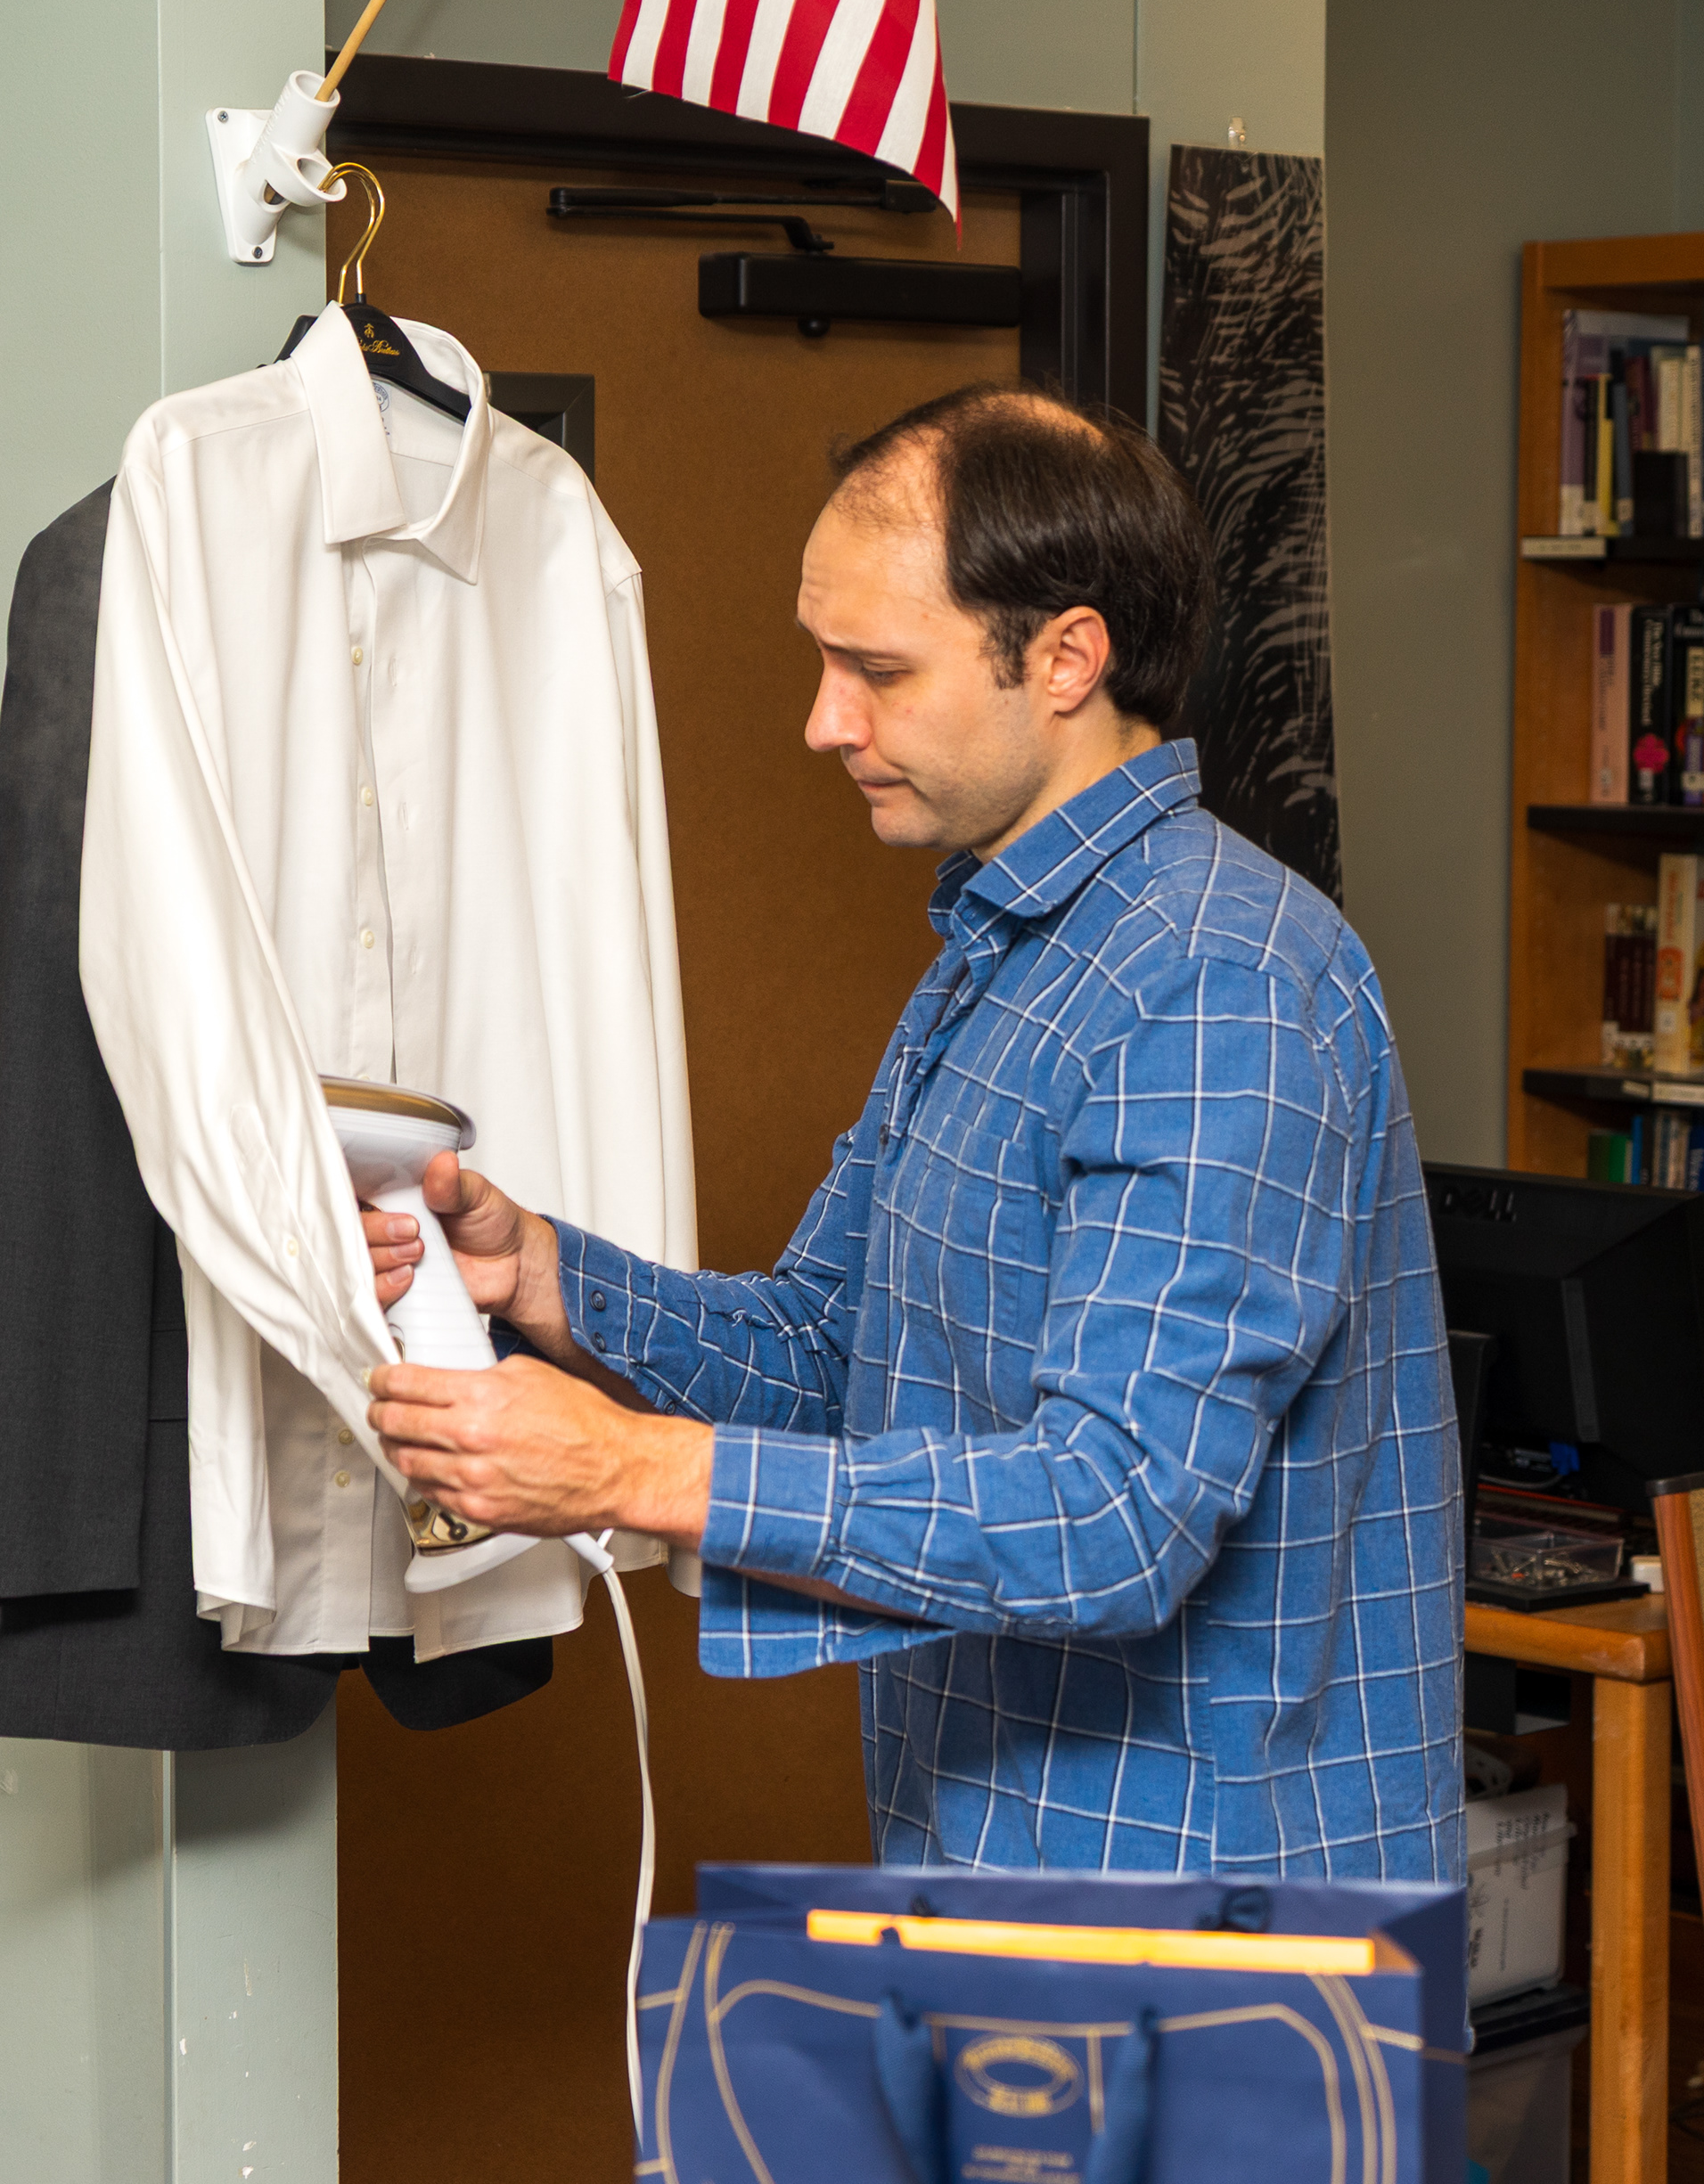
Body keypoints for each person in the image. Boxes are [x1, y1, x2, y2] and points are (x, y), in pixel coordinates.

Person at [363, 383, 1462, 1879]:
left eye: (876, 670)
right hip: (989, 1852)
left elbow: (1116, 1512)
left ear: (1066, 657)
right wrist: (549, 1280)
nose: (825, 722)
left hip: (1205, 1908)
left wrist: (636, 1470)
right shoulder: (1008, 947)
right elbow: (840, 1353)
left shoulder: (1220, 981)